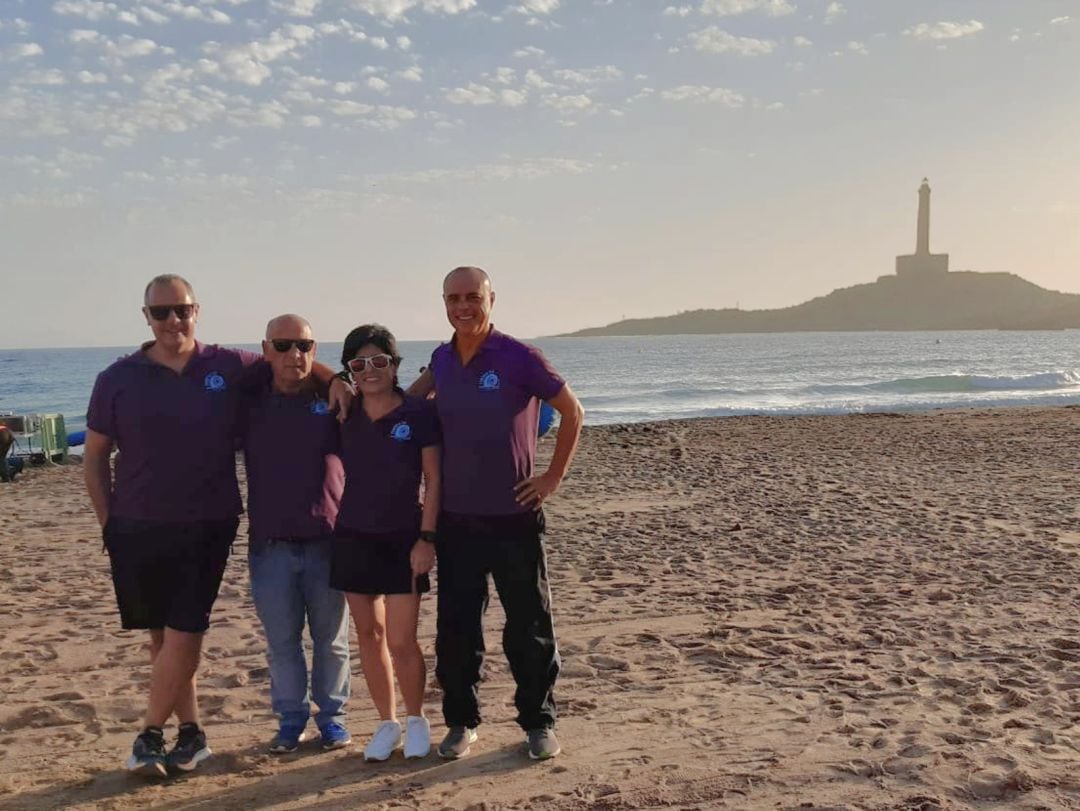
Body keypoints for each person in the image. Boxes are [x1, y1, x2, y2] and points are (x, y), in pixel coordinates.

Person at [83, 275, 350, 777]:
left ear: (196, 311)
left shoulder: (229, 365)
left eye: (180, 310)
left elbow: (293, 365)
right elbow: (95, 456)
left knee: (185, 630)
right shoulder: (117, 377)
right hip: (135, 524)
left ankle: (147, 733)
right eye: (160, 312)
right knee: (161, 638)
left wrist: (335, 379)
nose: (172, 321)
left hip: (208, 521)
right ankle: (191, 734)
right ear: (145, 317)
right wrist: (108, 522)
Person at [409, 266, 584, 761]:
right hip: (456, 519)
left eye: (472, 297)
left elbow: (573, 411)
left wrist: (551, 479)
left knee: (527, 625)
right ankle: (462, 723)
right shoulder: (442, 359)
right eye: (453, 298)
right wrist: (342, 386)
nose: (463, 306)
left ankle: (538, 721)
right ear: (443, 302)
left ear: (491, 299)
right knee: (457, 628)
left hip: (513, 517)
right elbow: (403, 404)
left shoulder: (518, 356)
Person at [242, 314, 351, 755]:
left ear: (315, 349)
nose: (295, 355)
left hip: (328, 542)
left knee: (332, 642)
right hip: (270, 547)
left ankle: (333, 719)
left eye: (304, 345)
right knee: (282, 643)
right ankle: (291, 720)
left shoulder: (333, 402)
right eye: (283, 345)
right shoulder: (248, 401)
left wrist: (338, 379)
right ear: (265, 349)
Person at [331, 324, 441, 762]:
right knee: (368, 634)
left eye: (380, 360)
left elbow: (434, 481)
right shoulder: (344, 413)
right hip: (353, 536)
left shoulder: (417, 413)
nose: (370, 370)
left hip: (404, 539)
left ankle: (416, 719)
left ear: (395, 365)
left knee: (401, 640)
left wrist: (427, 539)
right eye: (358, 364)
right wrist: (334, 382)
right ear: (350, 371)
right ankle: (387, 722)